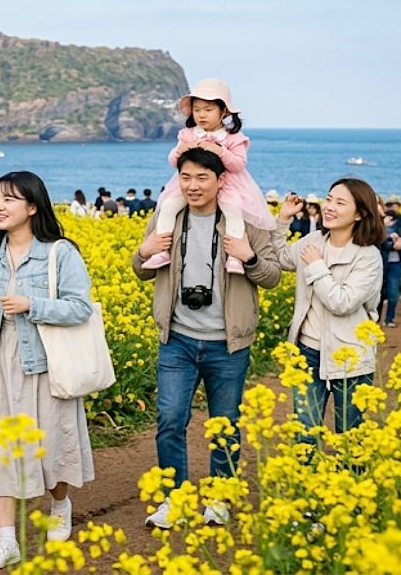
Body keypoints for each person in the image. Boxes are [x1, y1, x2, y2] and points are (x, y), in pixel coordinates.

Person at [132, 147, 281, 530]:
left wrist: (247, 258)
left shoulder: (247, 221)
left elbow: (272, 276)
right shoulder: (168, 218)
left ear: (220, 180)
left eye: (202, 178)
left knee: (225, 424)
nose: (193, 185)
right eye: (186, 177)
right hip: (177, 338)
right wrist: (142, 252)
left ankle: (220, 498)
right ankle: (174, 500)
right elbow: (142, 269)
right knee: (169, 420)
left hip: (228, 342)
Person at [0, 171, 96, 569]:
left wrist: (33, 305)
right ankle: (7, 540)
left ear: (32, 207)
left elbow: (80, 307)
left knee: (52, 446)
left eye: (9, 199)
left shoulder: (60, 253)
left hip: (44, 361)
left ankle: (59, 502)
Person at [270, 180, 384, 443]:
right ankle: (306, 483)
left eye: (340, 203)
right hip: (307, 351)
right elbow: (283, 259)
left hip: (350, 355)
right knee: (305, 435)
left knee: (350, 438)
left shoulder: (368, 257)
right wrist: (283, 221)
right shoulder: (314, 240)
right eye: (329, 199)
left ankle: (351, 483)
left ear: (360, 213)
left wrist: (317, 266)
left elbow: (342, 302)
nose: (329, 207)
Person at [143, 78, 277, 275]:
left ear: (223, 111)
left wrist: (220, 151)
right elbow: (172, 160)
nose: (201, 115)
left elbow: (238, 164)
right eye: (197, 110)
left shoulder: (233, 138)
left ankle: (235, 257)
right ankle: (161, 251)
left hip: (230, 184)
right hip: (193, 183)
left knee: (233, 211)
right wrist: (181, 150)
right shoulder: (188, 134)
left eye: (208, 109)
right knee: (169, 206)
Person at [378, 199, 401, 327]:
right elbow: (379, 243)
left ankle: (389, 319)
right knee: (379, 292)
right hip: (381, 262)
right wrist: (391, 243)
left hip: (395, 263)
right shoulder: (379, 227)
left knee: (393, 291)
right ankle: (376, 319)